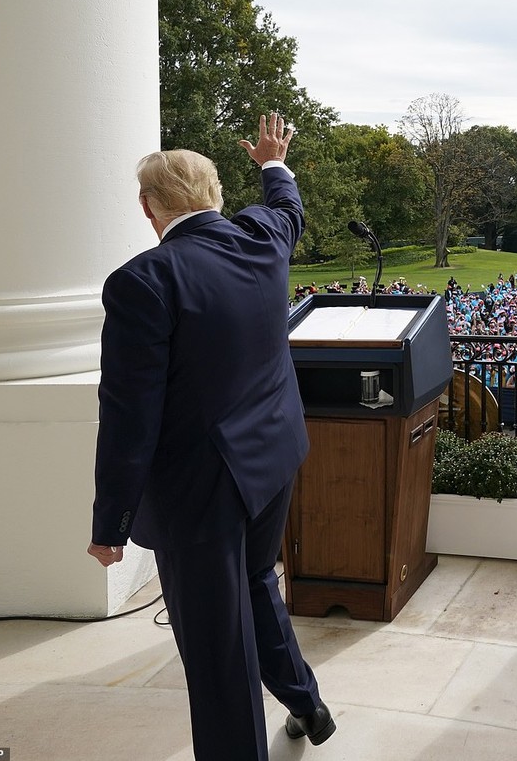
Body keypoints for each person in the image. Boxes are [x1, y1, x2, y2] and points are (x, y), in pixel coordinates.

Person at [88, 114, 335, 761]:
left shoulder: (142, 282)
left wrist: (110, 521)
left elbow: (127, 415)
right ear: (216, 195)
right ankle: (307, 703)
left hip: (201, 490)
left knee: (217, 651)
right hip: (273, 462)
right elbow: (288, 205)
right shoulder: (262, 237)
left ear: (149, 207)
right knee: (256, 583)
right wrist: (273, 161)